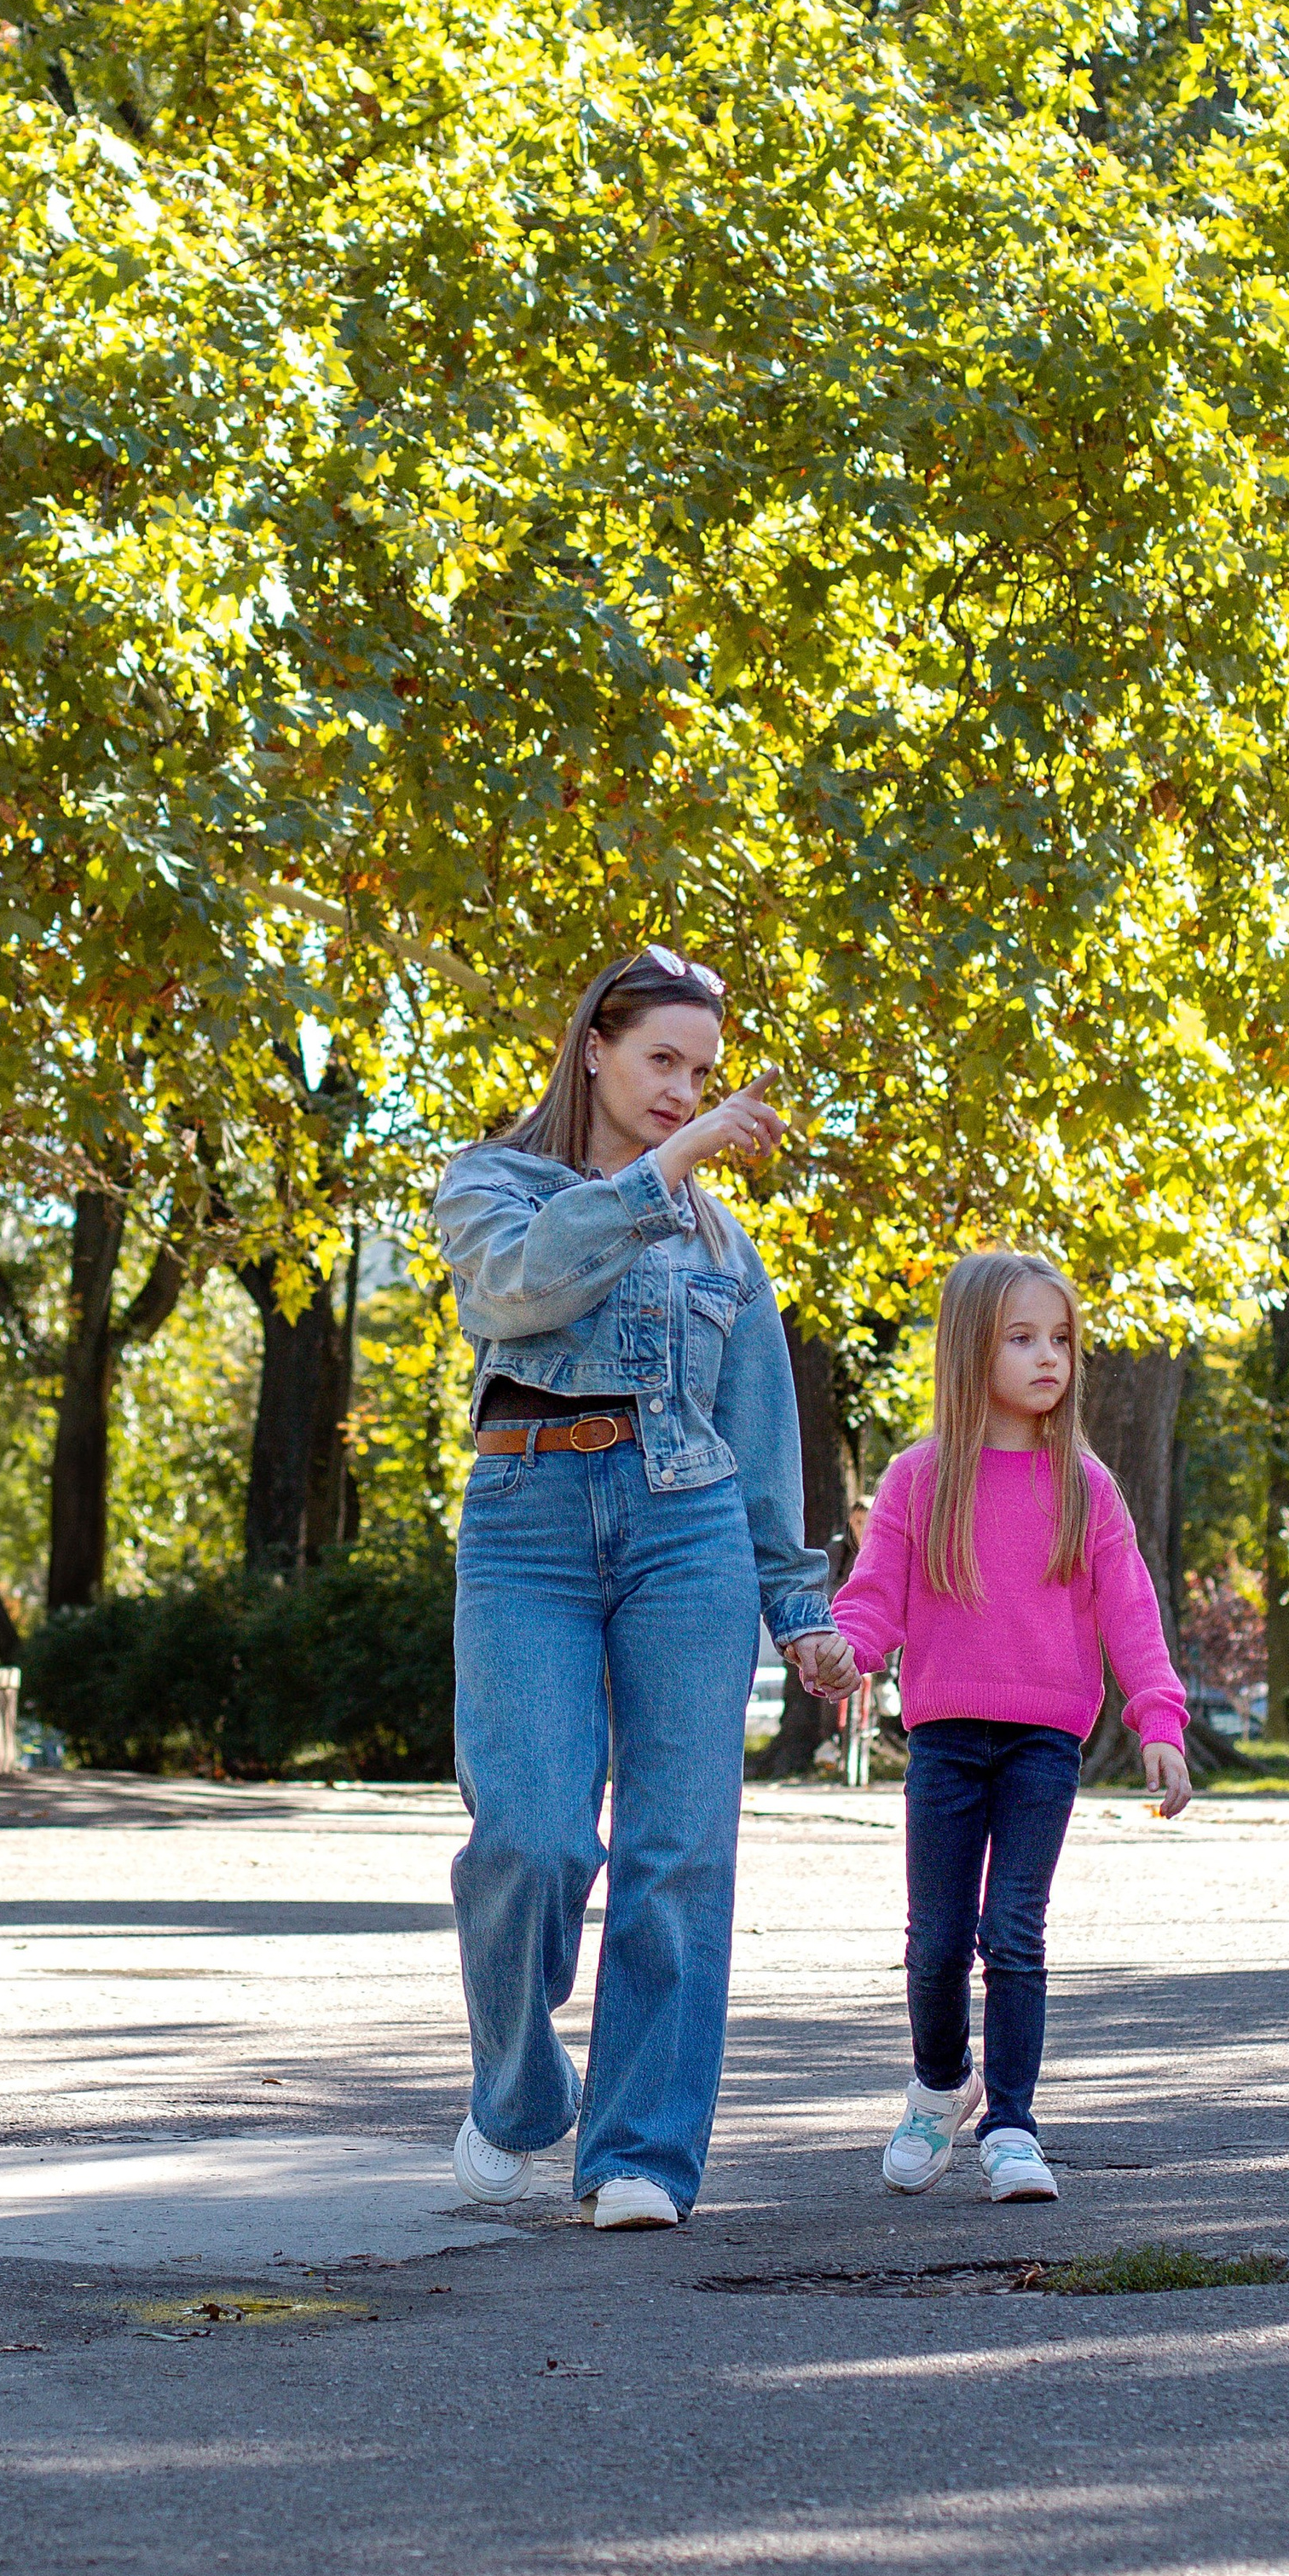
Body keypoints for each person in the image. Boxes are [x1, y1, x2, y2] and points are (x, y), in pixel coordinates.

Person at [434, 943, 858, 2231]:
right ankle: (519, 2095)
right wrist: (665, 1171)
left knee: (679, 1855)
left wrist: (801, 1610)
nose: (683, 1091)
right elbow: (522, 1290)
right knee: (531, 1839)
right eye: (662, 1060)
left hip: (689, 1536)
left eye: (703, 1074)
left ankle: (640, 2155)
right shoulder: (490, 1183)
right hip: (528, 1527)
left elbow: (761, 1435)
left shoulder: (726, 1243)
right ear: (594, 1051)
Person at [831, 1249, 1190, 2205]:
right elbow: (873, 1600)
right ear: (969, 1352)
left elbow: (1132, 1613)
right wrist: (842, 1652)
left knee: (1015, 1932)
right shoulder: (918, 1479)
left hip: (1043, 1743)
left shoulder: (1085, 1485)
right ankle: (940, 2085)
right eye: (1022, 1338)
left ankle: (1014, 2127)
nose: (1048, 1358)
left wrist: (1158, 1719)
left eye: (1060, 1340)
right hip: (945, 1741)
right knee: (936, 1942)